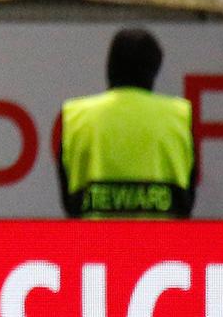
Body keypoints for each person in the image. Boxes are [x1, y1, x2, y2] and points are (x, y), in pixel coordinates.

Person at [56, 28, 196, 219]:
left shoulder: (76, 116)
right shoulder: (179, 116)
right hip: (162, 237)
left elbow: (69, 202)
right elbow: (187, 200)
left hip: (95, 237)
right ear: (154, 70)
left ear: (110, 66)